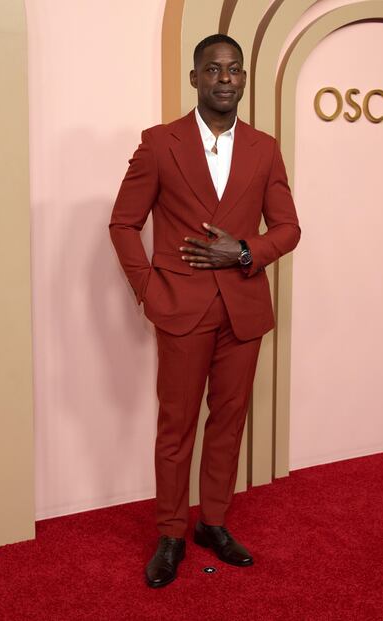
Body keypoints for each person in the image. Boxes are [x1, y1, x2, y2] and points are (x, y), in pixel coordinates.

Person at [109, 33, 300, 588]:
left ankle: (212, 523)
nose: (225, 78)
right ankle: (171, 532)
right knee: (177, 427)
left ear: (243, 80)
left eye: (234, 69)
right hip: (181, 310)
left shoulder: (265, 148)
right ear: (195, 79)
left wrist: (244, 251)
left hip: (243, 311)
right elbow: (124, 224)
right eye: (213, 69)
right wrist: (149, 288)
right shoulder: (159, 143)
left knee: (229, 422)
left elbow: (288, 228)